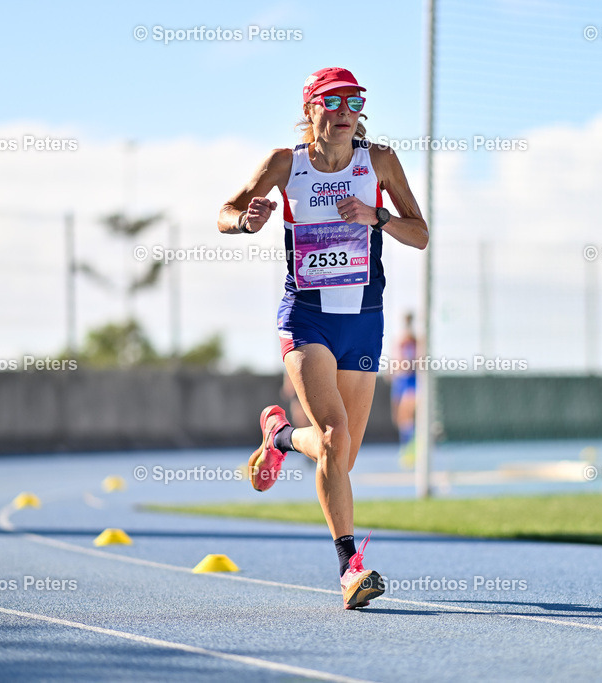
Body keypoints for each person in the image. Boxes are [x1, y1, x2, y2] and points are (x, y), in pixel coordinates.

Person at [217, 67, 428, 609]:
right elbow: (226, 211)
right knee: (333, 436)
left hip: (363, 315)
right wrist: (248, 221)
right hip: (306, 317)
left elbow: (420, 234)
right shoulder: (285, 164)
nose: (341, 114)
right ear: (310, 110)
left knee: (343, 456)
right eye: (330, 104)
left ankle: (281, 436)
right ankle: (349, 569)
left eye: (352, 103)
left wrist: (376, 216)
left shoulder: (378, 161)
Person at [391, 312, 418, 468]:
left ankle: (412, 449)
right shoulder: (400, 341)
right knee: (400, 418)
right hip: (400, 380)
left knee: (407, 413)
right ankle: (407, 447)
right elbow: (396, 360)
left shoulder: (415, 341)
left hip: (411, 380)